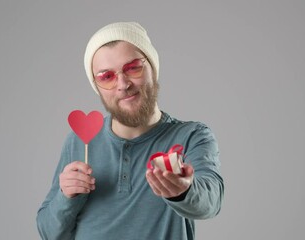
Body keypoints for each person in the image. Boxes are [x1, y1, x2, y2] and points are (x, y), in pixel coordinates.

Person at [36, 22, 224, 240]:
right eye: (107, 76)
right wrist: (66, 197)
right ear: (97, 87)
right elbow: (48, 232)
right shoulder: (79, 141)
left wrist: (184, 191)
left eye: (133, 67)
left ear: (152, 68)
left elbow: (211, 202)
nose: (123, 84)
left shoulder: (192, 135)